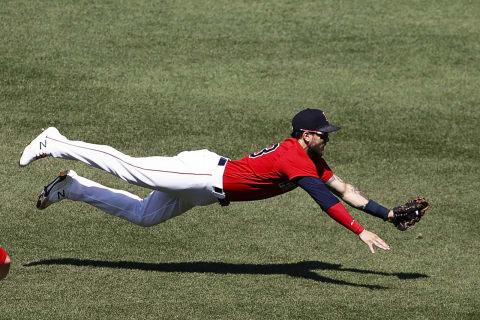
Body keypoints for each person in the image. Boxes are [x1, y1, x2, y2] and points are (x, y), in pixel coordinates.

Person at [20, 108, 393, 253]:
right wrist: (359, 231)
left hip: (206, 191)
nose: (328, 137)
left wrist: (387, 215)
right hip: (202, 174)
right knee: (129, 168)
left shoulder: (312, 159)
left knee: (143, 215)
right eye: (323, 133)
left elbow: (343, 191)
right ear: (307, 134)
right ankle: (56, 142)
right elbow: (323, 199)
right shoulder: (294, 157)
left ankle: (71, 187)